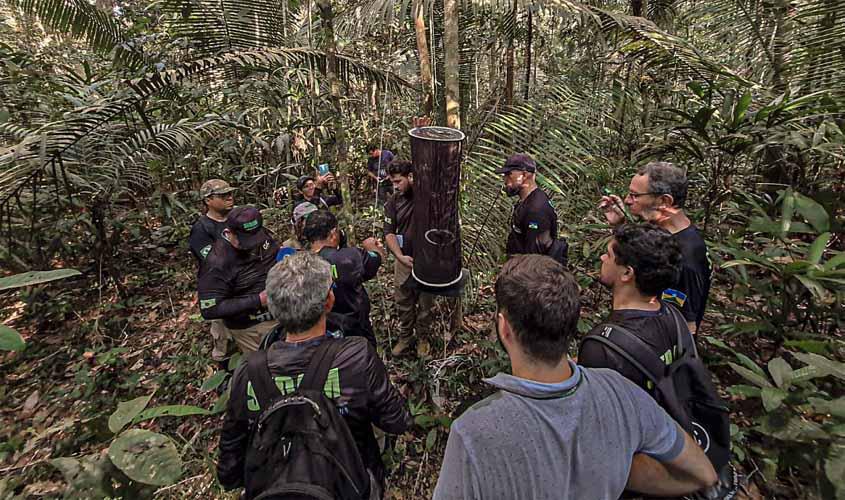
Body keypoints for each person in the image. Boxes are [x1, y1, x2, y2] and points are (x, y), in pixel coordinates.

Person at [433, 254, 717, 499]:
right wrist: (617, 472)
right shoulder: (621, 394)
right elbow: (703, 474)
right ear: (571, 323)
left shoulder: (474, 433)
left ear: (504, 328)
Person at [217, 251, 412, 497]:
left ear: (273, 309)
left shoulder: (249, 370)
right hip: (351, 481)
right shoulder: (355, 355)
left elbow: (229, 470)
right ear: (329, 301)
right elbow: (396, 420)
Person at [578, 223, 738, 498]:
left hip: (636, 468)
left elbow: (596, 433)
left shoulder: (603, 348)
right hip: (672, 446)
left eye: (608, 254)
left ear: (627, 273)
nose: (602, 258)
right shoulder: (672, 315)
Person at [599, 161, 711, 334]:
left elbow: (685, 328)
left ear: (665, 201)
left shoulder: (686, 257)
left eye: (635, 195)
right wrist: (619, 224)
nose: (627, 201)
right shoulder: (662, 234)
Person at [384, 160, 461, 356]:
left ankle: (423, 338)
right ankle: (405, 336)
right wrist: (399, 257)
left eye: (399, 181)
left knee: (425, 303)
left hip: (427, 261)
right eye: (393, 182)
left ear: (410, 177)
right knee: (403, 301)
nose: (395, 186)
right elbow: (389, 233)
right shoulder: (393, 202)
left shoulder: (427, 197)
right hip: (404, 260)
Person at [198, 206, 280, 353]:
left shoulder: (263, 238)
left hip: (280, 314)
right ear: (228, 233)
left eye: (256, 238)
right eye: (246, 241)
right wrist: (257, 300)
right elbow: (209, 309)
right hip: (251, 327)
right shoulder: (217, 262)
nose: (254, 246)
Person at [304, 209, 384, 345]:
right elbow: (375, 261)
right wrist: (372, 247)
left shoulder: (299, 264)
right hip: (354, 331)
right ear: (333, 233)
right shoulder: (350, 257)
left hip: (319, 335)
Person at [189, 179, 236, 367]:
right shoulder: (201, 229)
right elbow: (213, 261)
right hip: (220, 291)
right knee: (224, 342)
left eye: (230, 194)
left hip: (245, 286)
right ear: (208, 200)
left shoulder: (237, 218)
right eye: (223, 195)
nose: (230, 198)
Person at [496, 153, 568, 266]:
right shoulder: (528, 201)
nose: (505, 179)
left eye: (509, 174)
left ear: (525, 175)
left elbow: (534, 260)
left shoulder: (536, 210)